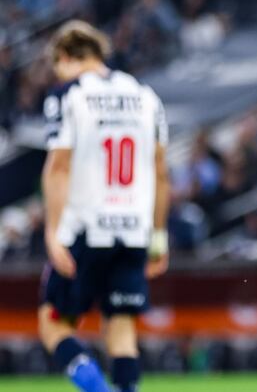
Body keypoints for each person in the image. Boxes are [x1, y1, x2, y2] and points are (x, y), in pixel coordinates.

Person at [37, 20, 171, 392]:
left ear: (65, 57)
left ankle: (97, 389)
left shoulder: (68, 95)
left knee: (53, 323)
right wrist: (159, 236)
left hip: (85, 228)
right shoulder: (146, 96)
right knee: (121, 326)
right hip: (133, 231)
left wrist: (53, 231)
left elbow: (58, 166)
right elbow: (161, 173)